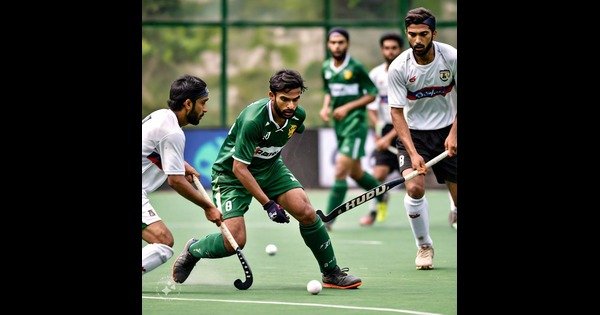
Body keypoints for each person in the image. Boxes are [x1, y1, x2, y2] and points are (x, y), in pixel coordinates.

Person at [171, 69, 362, 289]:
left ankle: (331, 273)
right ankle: (194, 249)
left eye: (296, 99)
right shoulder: (254, 120)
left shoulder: (297, 115)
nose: (291, 105)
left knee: (307, 213)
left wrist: (283, 176)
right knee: (234, 241)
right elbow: (239, 167)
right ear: (271, 96)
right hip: (231, 176)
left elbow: (292, 134)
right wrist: (269, 204)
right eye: (284, 100)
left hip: (270, 168)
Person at [387, 7, 457, 270]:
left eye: (423, 34)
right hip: (414, 134)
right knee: (415, 188)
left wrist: (454, 134)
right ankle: (424, 246)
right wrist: (413, 152)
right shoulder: (399, 68)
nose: (417, 40)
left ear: (433, 34)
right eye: (412, 34)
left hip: (448, 129)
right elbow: (396, 113)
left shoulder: (451, 57)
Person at [142, 74, 223, 276]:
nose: (204, 109)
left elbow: (153, 150)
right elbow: (175, 181)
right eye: (202, 103)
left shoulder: (161, 116)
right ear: (188, 103)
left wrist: (181, 164)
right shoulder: (173, 133)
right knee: (163, 241)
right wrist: (208, 206)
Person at [319, 27, 383, 230]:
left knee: (340, 170)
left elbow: (372, 94)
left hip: (356, 124)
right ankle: (381, 191)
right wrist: (325, 107)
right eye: (333, 43)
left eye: (341, 43)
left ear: (347, 44)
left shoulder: (355, 67)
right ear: (328, 45)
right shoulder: (326, 67)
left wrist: (347, 107)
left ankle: (328, 218)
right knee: (355, 172)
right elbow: (329, 90)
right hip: (339, 126)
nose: (336, 46)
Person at [359, 32, 405, 227]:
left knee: (417, 182)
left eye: (394, 48)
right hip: (386, 128)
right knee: (377, 176)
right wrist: (379, 132)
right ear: (382, 50)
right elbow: (372, 108)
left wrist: (389, 138)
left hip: (408, 128)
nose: (390, 51)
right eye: (386, 48)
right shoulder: (375, 75)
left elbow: (408, 114)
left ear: (400, 49)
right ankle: (374, 210)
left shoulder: (407, 72)